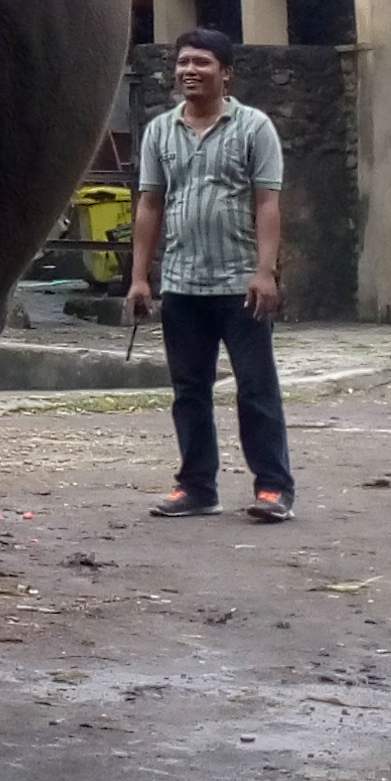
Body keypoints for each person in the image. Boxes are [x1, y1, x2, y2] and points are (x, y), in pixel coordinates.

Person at [129, 25, 295, 522]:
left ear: (226, 73)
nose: (189, 71)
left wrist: (265, 272)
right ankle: (197, 487)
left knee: (256, 388)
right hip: (181, 284)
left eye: (202, 62)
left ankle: (273, 488)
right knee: (189, 392)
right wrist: (140, 278)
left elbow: (267, 202)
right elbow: (150, 204)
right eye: (183, 63)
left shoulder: (254, 127)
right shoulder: (161, 130)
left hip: (238, 284)